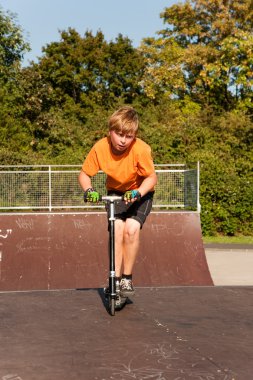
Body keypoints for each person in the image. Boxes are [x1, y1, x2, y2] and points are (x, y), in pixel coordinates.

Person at [78, 106, 157, 296]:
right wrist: (89, 190)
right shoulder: (100, 147)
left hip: (140, 193)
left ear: (134, 136)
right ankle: (115, 279)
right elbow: (84, 174)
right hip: (115, 192)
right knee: (117, 230)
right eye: (119, 134)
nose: (123, 140)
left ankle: (127, 279)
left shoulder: (141, 149)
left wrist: (138, 192)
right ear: (110, 131)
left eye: (128, 136)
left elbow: (152, 178)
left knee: (131, 229)